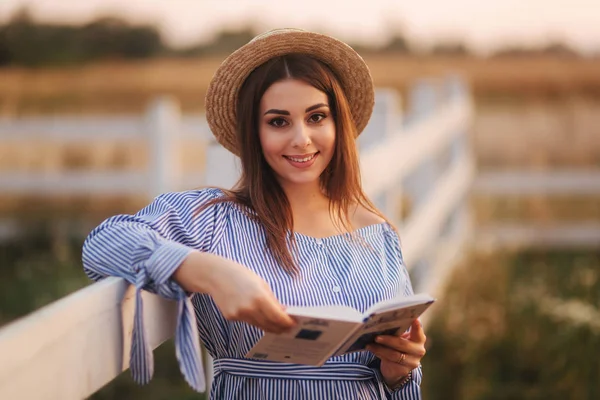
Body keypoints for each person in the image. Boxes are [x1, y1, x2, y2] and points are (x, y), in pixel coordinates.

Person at [82, 28, 427, 399]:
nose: (301, 139)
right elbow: (103, 244)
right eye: (278, 121)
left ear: (337, 123)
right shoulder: (214, 219)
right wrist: (211, 272)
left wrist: (399, 373)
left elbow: (401, 384)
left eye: (316, 117)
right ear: (254, 132)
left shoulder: (377, 233)